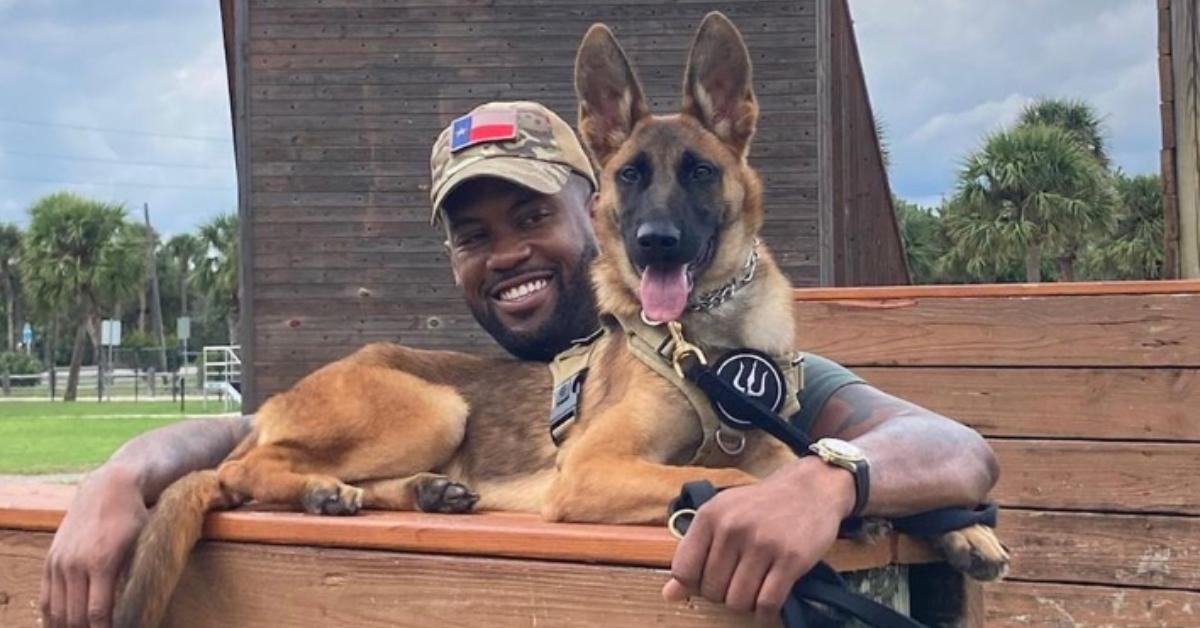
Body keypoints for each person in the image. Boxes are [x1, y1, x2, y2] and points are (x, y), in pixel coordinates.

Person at [40, 102, 998, 628]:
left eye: (533, 218)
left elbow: (952, 450)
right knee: (430, 422)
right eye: (474, 235)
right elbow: (252, 437)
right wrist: (133, 468)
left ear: (596, 211)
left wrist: (833, 484)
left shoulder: (726, 360)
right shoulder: (428, 372)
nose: (505, 254)